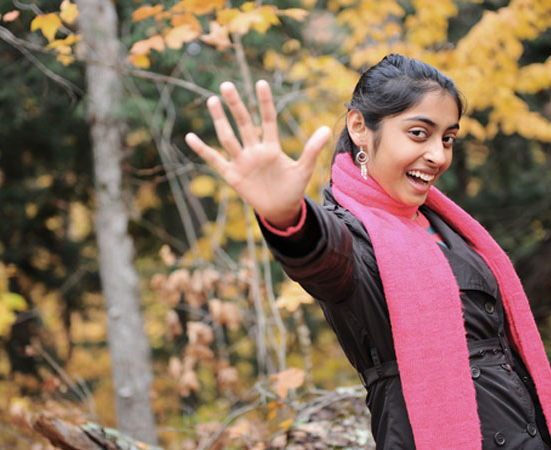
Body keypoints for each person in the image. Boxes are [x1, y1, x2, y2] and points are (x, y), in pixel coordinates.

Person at [185, 54, 551, 449]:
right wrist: (288, 216)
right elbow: (326, 259)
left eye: (447, 138)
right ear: (359, 127)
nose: (439, 155)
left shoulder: (447, 224)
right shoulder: (353, 233)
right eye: (418, 133)